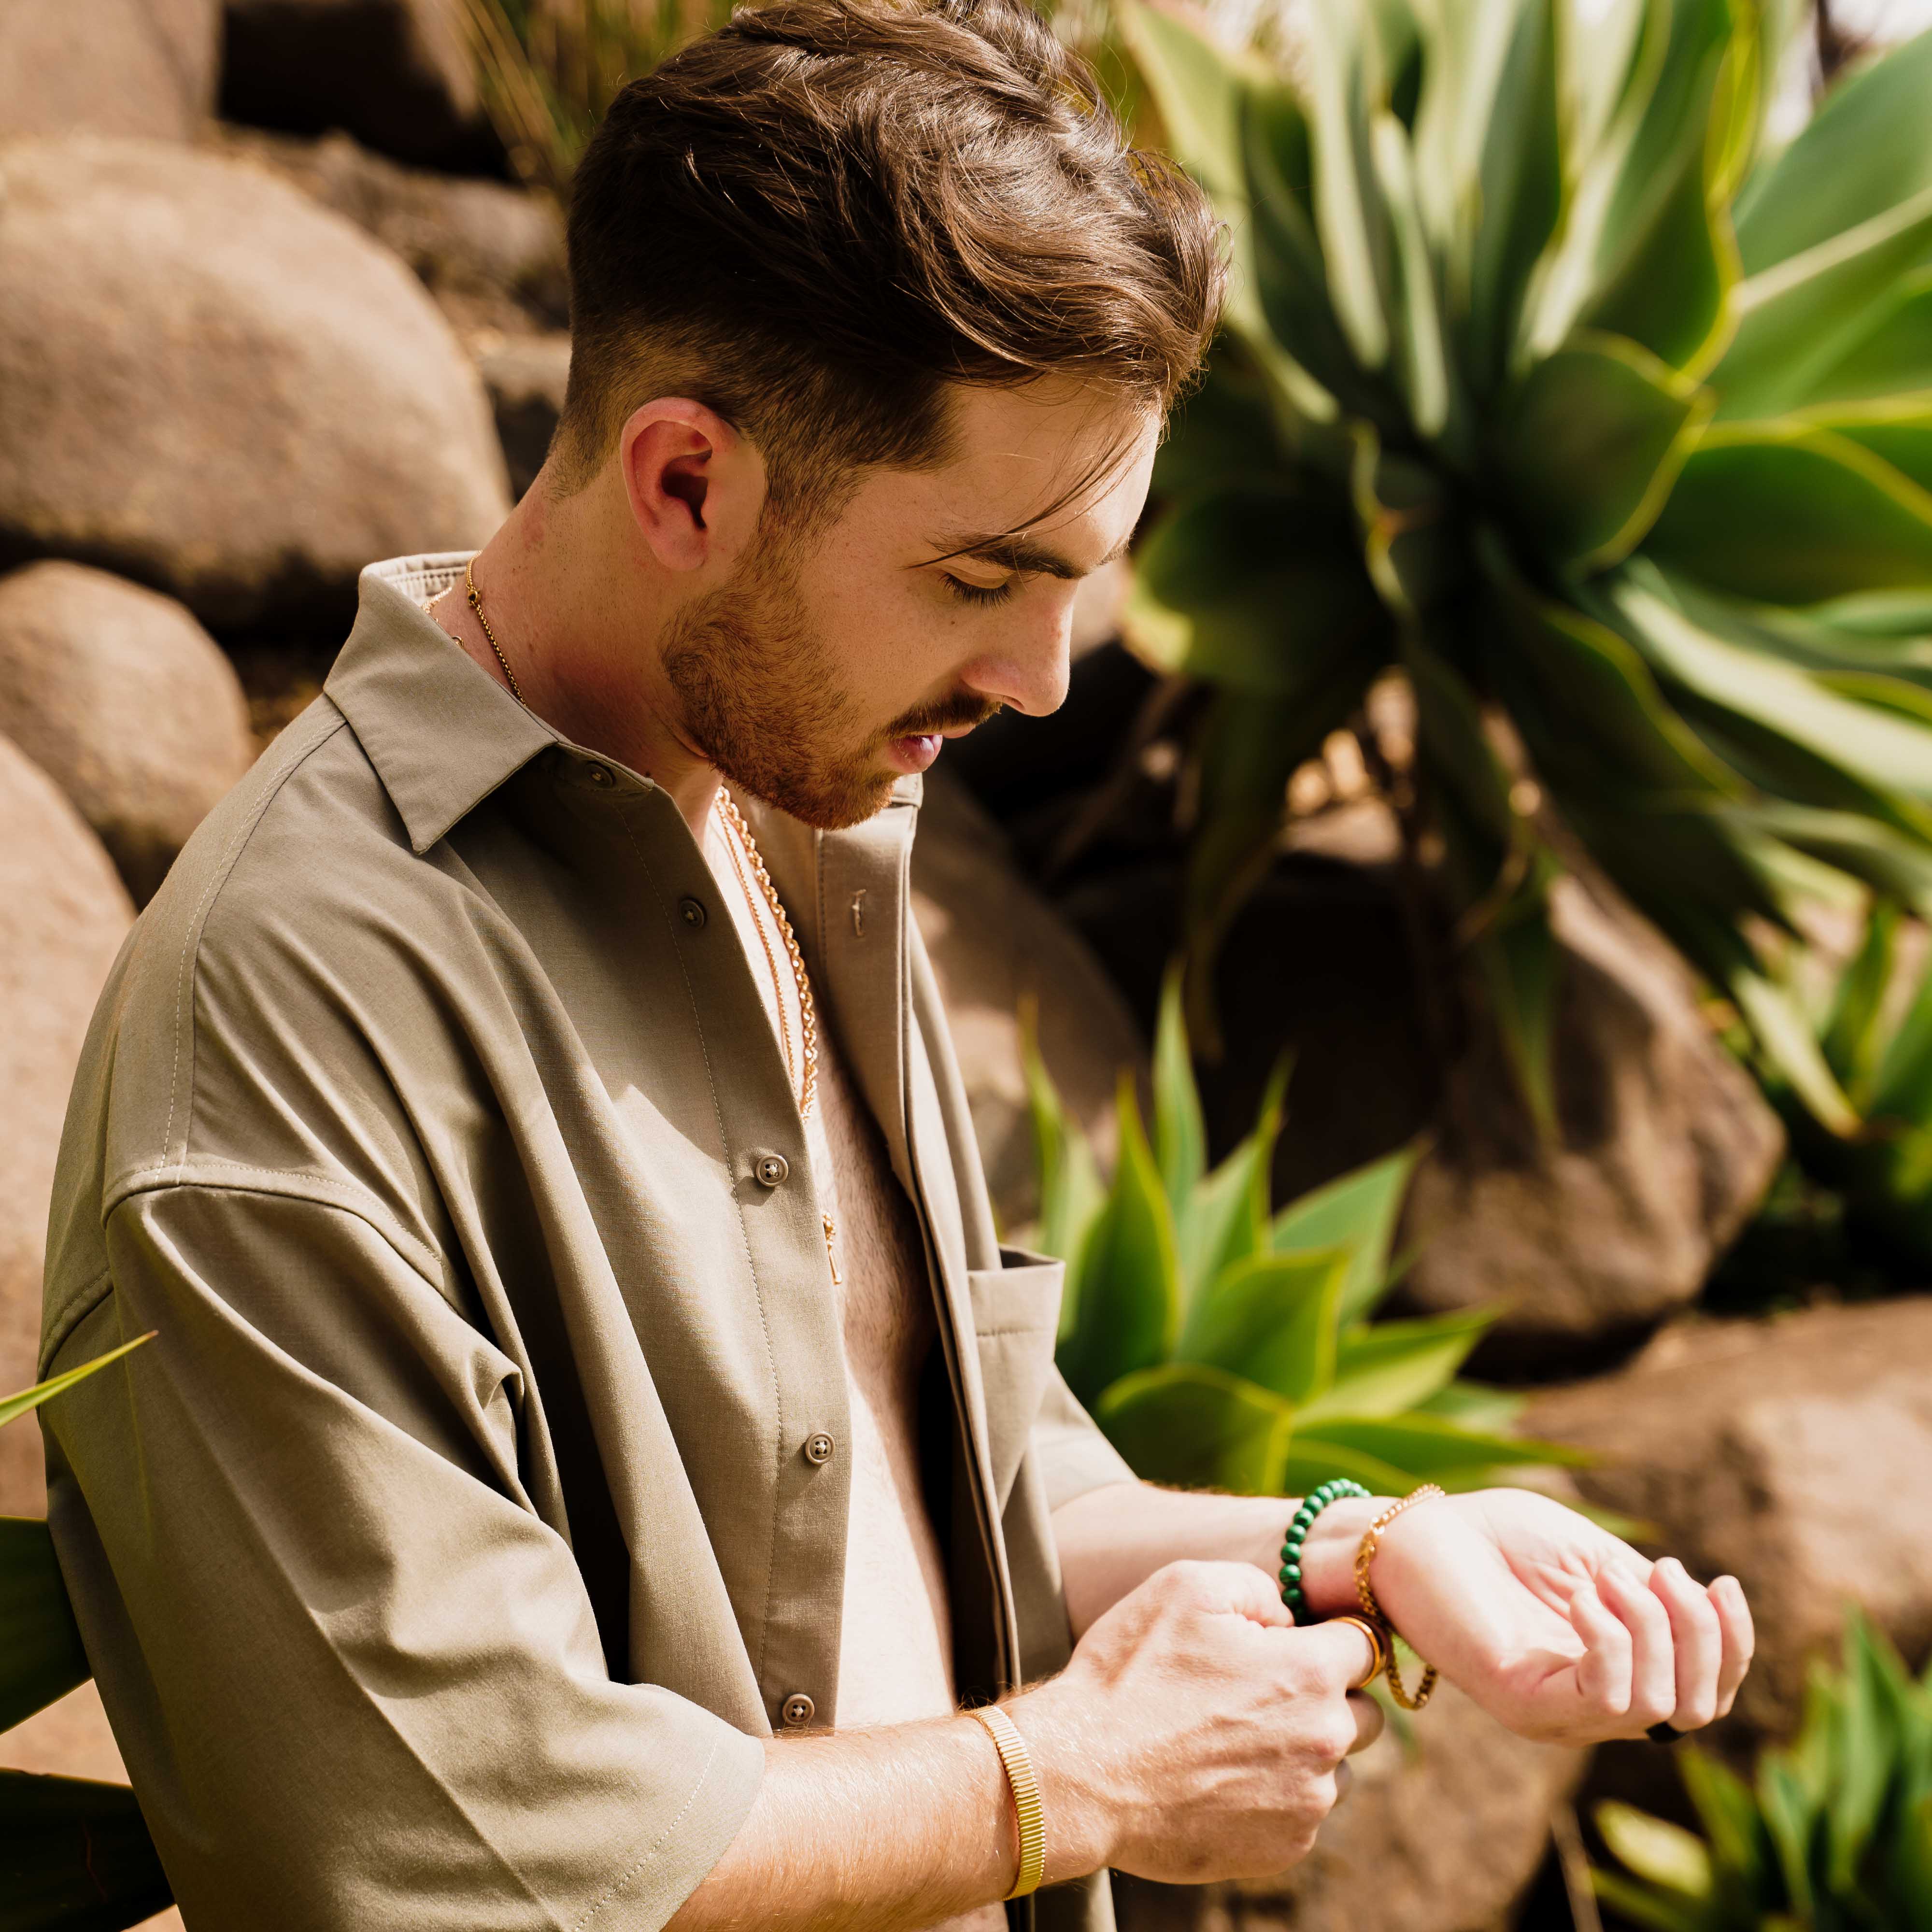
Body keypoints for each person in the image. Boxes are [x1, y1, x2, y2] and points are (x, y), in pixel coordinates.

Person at [38, 1, 1753, 1926]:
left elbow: (946, 1492)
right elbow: (449, 1851)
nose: (1043, 682)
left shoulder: (801, 810)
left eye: (1080, 581)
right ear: (684, 482)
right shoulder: (281, 1031)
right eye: (981, 576)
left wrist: (1354, 1552)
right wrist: (1080, 1776)